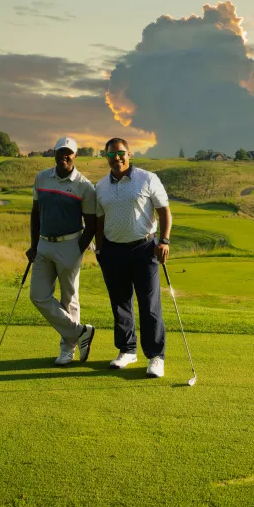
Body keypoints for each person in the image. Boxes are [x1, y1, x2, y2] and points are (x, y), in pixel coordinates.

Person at [94, 137, 172, 378]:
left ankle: (155, 356)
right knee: (119, 304)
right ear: (105, 157)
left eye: (121, 153)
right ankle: (127, 350)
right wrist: (100, 248)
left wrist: (164, 240)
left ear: (129, 154)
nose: (116, 158)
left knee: (149, 305)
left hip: (144, 248)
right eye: (111, 155)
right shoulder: (101, 186)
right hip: (113, 250)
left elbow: (164, 212)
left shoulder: (147, 179)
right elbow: (99, 219)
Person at [27, 136, 97, 365]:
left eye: (69, 152)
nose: (64, 156)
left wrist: (78, 248)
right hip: (44, 244)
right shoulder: (42, 178)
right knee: (37, 295)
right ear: (54, 153)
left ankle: (68, 350)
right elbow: (35, 213)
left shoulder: (84, 186)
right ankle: (79, 332)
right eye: (60, 152)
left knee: (69, 298)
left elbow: (91, 223)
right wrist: (34, 244)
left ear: (75, 156)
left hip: (70, 244)